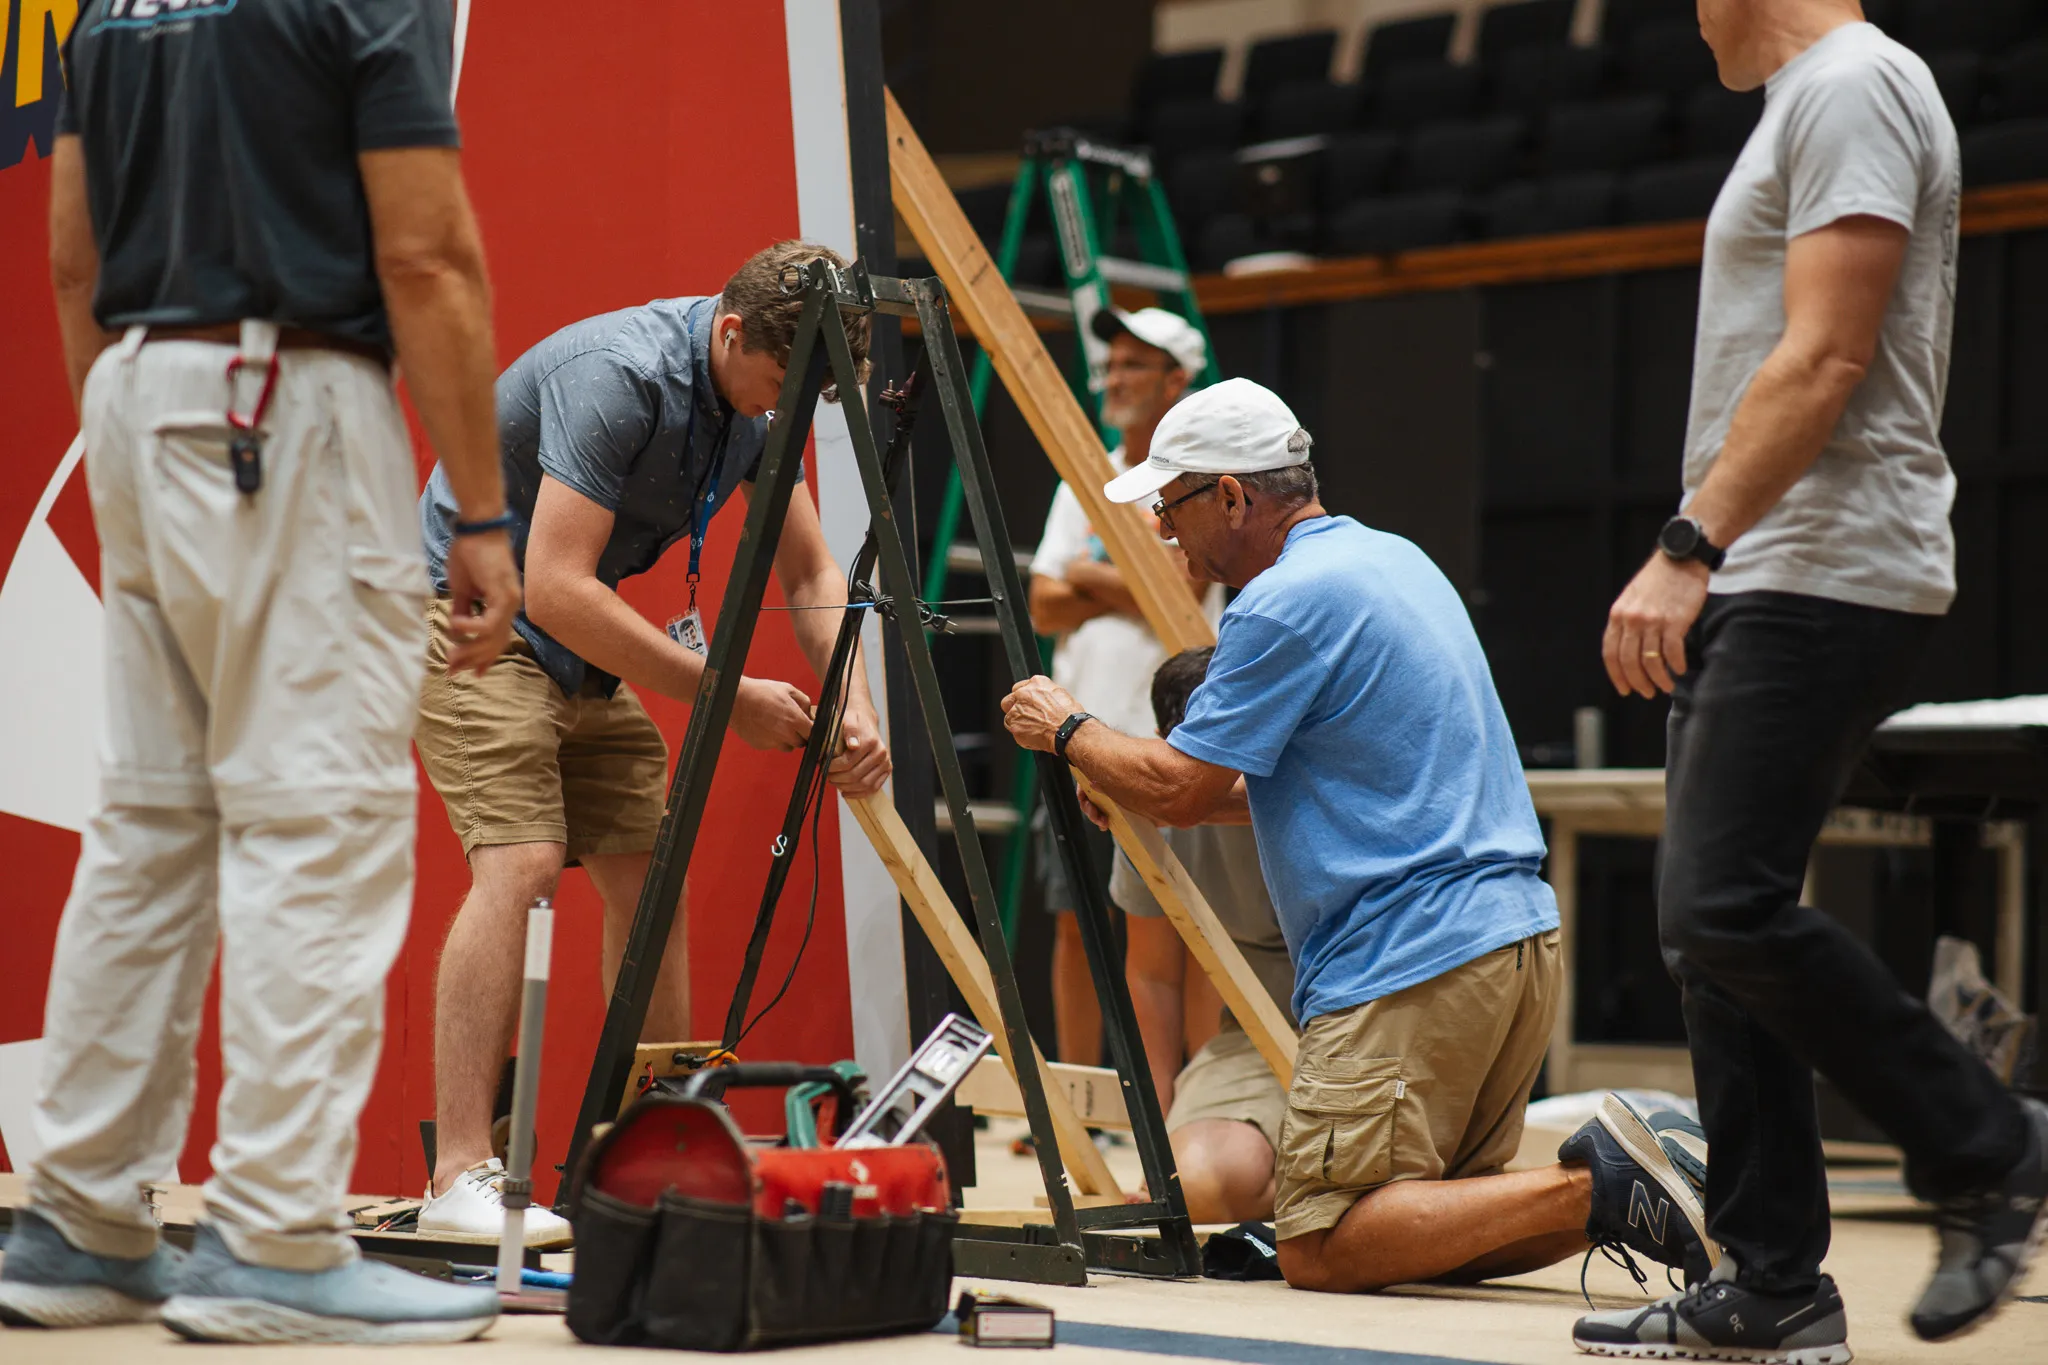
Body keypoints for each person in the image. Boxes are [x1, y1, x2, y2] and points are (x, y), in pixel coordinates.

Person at [0, 0, 518, 1345]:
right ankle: (276, 1239)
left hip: (139, 389)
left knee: (151, 829)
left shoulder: (107, 11)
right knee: (320, 824)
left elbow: (71, 261)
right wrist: (480, 510)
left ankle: (79, 1223)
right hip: (283, 401)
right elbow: (425, 253)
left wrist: (128, 439)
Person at [1002, 378, 1714, 1293]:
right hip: (1511, 943)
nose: (1167, 534)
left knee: (1321, 1243)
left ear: (1231, 494)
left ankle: (1598, 1181)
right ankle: (1624, 1183)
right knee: (1434, 1228)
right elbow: (1305, 789)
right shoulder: (1394, 561)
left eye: (1173, 507)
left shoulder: (1281, 600)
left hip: (1409, 961)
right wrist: (1129, 782)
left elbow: (1182, 787)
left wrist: (1069, 727)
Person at [1581, 3, 2048, 1359]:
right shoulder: (1806, 103)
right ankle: (1775, 1282)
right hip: (1764, 565)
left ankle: (1984, 1142)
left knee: (1718, 906)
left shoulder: (1854, 83)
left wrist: (1687, 543)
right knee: (1711, 941)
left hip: (1821, 564)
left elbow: (1831, 355)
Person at [412, 241, 891, 1240]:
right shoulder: (620, 375)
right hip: (475, 616)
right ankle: (458, 1172)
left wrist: (852, 703)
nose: (777, 414)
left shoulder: (758, 396)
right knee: (524, 862)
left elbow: (808, 577)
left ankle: (653, 1153)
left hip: (573, 634)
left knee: (648, 871)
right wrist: (724, 697)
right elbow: (551, 585)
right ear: (728, 333)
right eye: (770, 387)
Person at [1027, 307, 1213, 1066]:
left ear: (1177, 379)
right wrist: (1126, 582)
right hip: (1074, 729)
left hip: (1163, 738)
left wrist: (1088, 572)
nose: (1111, 377)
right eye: (1109, 364)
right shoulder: (1087, 475)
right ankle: (1083, 1094)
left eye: (1133, 364)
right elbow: (1042, 599)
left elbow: (1187, 593)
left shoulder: (1197, 478)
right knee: (1074, 918)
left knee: (1175, 930)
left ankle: (1180, 1104)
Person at [1110, 647, 1293, 1225]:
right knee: (1197, 1186)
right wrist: (1156, 1129)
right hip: (1258, 1037)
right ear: (1169, 746)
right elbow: (1152, 973)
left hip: (1375, 1015)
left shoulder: (1320, 775)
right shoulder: (1150, 810)